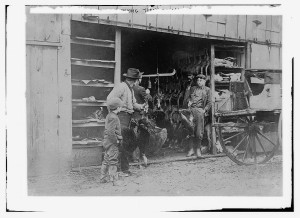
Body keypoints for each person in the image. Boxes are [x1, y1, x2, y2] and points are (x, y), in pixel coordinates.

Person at [107, 68, 146, 176]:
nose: (138, 82)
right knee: (122, 143)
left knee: (130, 142)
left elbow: (133, 104)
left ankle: (123, 169)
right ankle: (121, 170)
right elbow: (109, 99)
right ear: (135, 80)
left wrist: (141, 106)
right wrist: (116, 111)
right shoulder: (121, 87)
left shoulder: (130, 89)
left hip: (128, 117)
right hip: (120, 117)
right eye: (138, 80)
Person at [185, 74, 211, 157]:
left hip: (200, 111)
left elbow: (210, 102)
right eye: (198, 80)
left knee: (199, 132)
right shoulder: (193, 89)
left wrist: (205, 110)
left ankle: (198, 150)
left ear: (204, 81)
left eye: (201, 80)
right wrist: (189, 101)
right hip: (191, 110)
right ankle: (191, 149)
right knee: (190, 130)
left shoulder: (207, 90)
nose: (199, 82)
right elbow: (188, 97)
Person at [100, 97, 123, 186]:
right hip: (112, 143)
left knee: (106, 160)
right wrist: (116, 141)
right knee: (113, 161)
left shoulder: (109, 116)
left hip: (107, 142)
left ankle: (103, 178)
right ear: (118, 108)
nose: (121, 108)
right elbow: (111, 132)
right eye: (120, 106)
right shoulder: (114, 117)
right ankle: (114, 180)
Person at [132, 76, 152, 166]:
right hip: (139, 115)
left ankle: (134, 157)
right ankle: (141, 155)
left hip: (131, 115)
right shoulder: (141, 88)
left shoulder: (129, 88)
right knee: (142, 136)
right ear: (138, 79)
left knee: (132, 135)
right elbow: (148, 99)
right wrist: (148, 93)